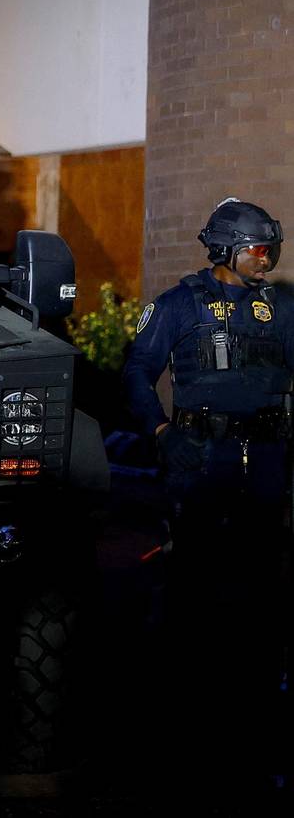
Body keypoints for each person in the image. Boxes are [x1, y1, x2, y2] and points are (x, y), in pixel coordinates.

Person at [123, 197, 294, 790]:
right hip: (200, 460)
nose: (266, 258)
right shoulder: (178, 305)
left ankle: (255, 715)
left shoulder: (284, 307)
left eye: (270, 248)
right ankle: (181, 717)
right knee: (192, 581)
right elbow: (136, 371)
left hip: (267, 461)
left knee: (264, 587)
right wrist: (162, 432)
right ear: (224, 249)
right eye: (256, 248)